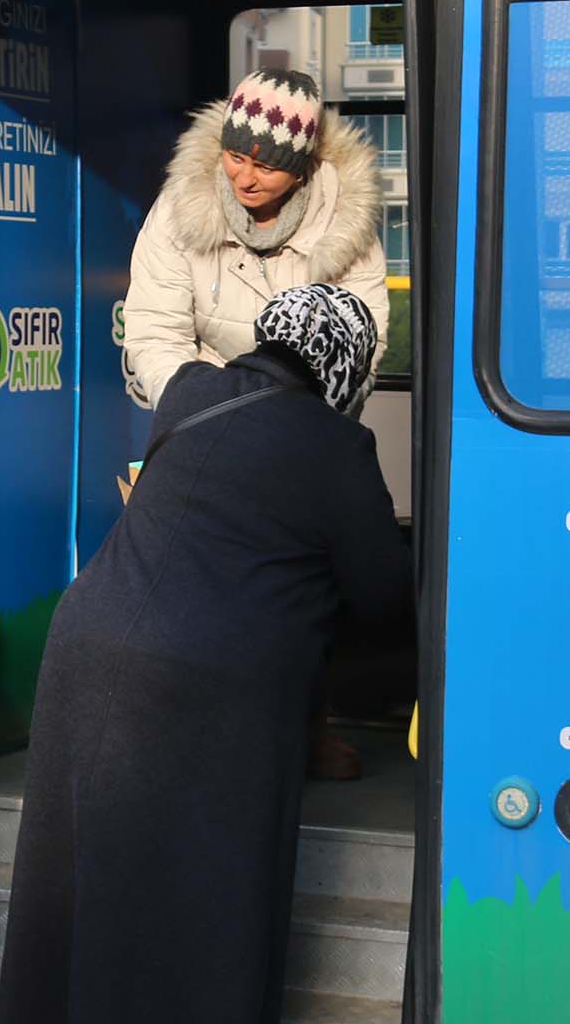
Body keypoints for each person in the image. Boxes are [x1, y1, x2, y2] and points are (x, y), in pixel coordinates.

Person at [0, 285, 412, 1024]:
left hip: (95, 653)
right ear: (343, 365)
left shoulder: (185, 392)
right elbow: (379, 596)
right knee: (220, 890)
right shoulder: (339, 446)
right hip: (221, 681)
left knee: (113, 873)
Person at [119, 67, 394, 778]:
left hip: (304, 424)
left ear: (301, 169)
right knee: (186, 579)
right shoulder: (179, 207)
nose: (245, 176)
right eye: (236, 157)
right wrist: (196, 408)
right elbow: (152, 328)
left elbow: (362, 336)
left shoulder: (348, 226)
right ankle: (190, 732)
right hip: (198, 418)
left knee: (303, 582)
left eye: (267, 165)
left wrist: (300, 425)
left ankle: (307, 725)